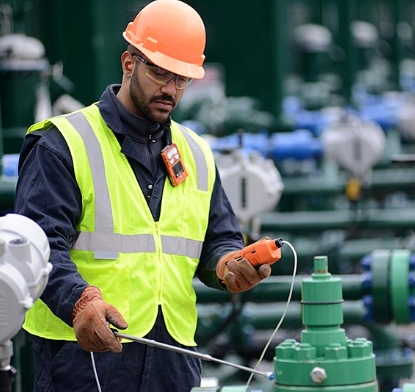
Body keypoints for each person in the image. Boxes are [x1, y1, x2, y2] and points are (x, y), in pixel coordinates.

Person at [14, 1, 273, 391]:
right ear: (129, 62)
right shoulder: (64, 143)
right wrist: (79, 303)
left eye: (182, 78)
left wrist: (229, 266)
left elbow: (217, 239)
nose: (170, 89)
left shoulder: (196, 152)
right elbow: (38, 246)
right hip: (84, 359)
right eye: (159, 72)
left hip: (172, 360)